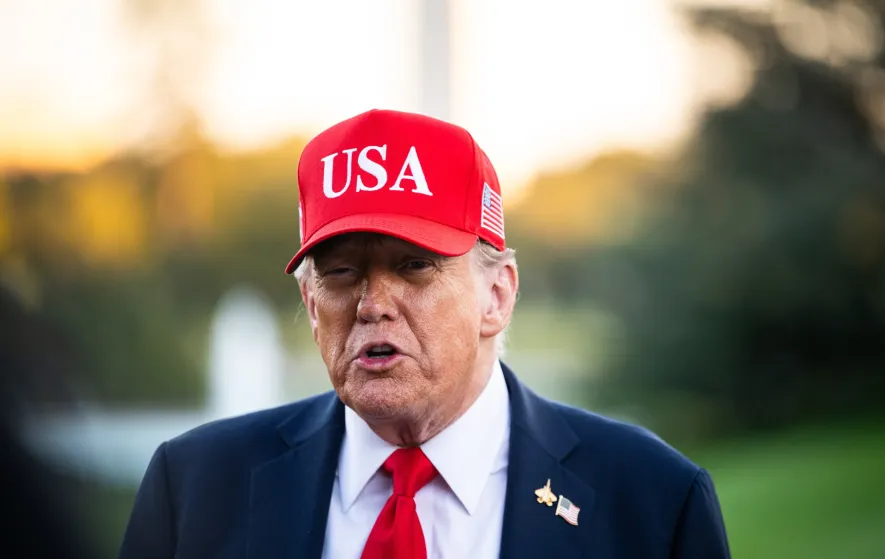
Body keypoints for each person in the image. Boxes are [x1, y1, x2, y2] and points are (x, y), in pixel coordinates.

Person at [119, 109, 731, 558]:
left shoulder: (652, 500)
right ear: (310, 304)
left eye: (415, 266)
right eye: (340, 272)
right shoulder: (196, 486)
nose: (372, 304)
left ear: (497, 295)